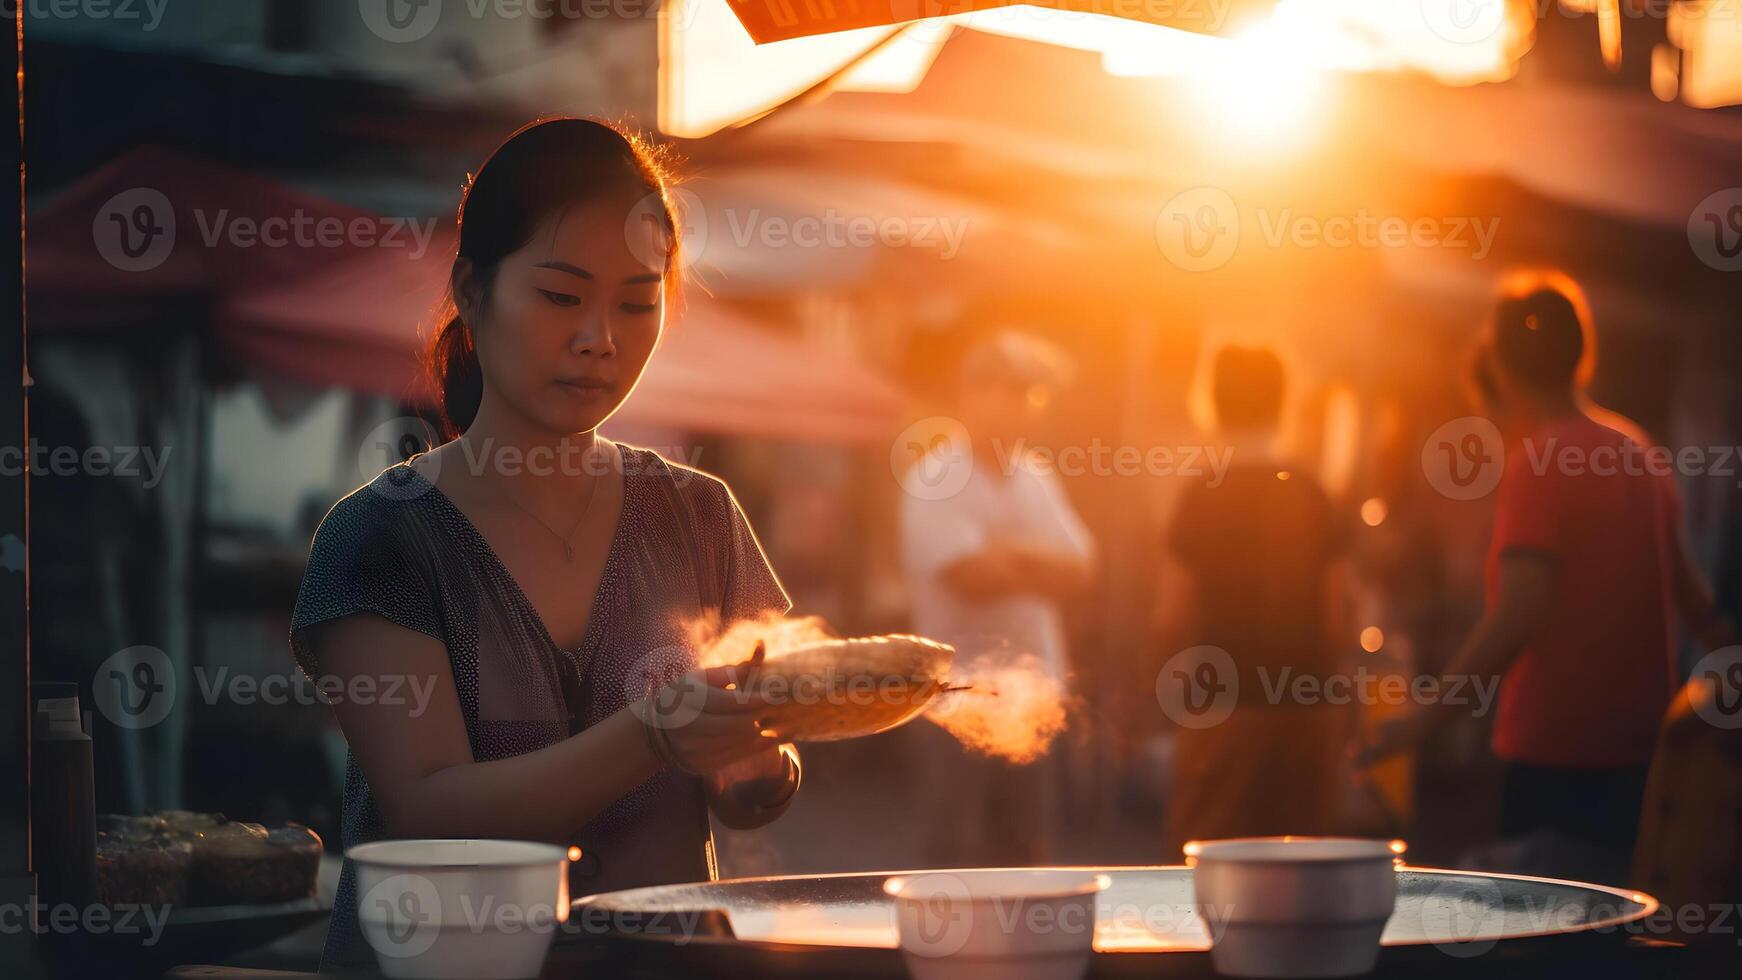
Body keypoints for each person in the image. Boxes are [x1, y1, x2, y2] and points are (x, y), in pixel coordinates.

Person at [289, 118, 798, 970]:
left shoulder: (699, 515)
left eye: (637, 303)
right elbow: (432, 816)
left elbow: (760, 773)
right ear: (474, 291)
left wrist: (755, 768)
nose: (601, 336)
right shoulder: (381, 537)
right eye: (563, 295)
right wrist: (659, 734)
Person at [1357, 270, 1730, 879]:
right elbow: (1696, 603)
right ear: (1582, 356)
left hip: (1557, 758)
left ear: (1500, 365)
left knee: (1543, 941)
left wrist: (1422, 718)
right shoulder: (1641, 451)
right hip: (1642, 756)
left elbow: (1518, 614)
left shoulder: (1540, 462)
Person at [898, 331, 1096, 866]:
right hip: (954, 698)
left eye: (1027, 391)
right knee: (953, 858)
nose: (1019, 404)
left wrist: (1007, 553)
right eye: (1005, 389)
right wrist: (1037, 563)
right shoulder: (933, 477)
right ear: (970, 393)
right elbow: (972, 577)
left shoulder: (1035, 475)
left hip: (1032, 694)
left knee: (1028, 854)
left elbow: (1082, 568)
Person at [1159, 345, 1354, 853]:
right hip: (1308, 703)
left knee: (1208, 856)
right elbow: (1338, 616)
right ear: (1284, 403)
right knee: (1303, 861)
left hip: (1222, 703)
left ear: (1210, 402)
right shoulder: (1313, 492)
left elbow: (1172, 612)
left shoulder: (1203, 491)